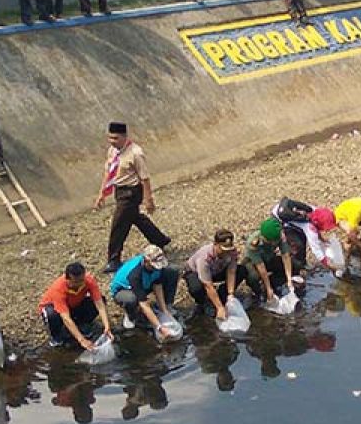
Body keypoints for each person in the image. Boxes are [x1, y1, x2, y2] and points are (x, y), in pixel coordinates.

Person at [95, 121, 171, 273]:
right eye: (110, 138)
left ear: (124, 137)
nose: (112, 141)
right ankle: (159, 239)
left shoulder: (135, 153)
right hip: (119, 190)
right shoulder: (112, 151)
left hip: (131, 192)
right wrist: (102, 193)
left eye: (115, 138)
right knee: (135, 217)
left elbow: (145, 177)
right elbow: (109, 172)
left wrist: (148, 199)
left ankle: (114, 259)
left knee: (119, 225)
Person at [39, 262, 113, 351]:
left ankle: (82, 324)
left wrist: (107, 326)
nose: (80, 284)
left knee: (100, 300)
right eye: (76, 282)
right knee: (52, 314)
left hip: (74, 305)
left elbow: (99, 303)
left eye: (82, 280)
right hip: (56, 309)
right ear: (68, 279)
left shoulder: (88, 280)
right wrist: (82, 340)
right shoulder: (58, 289)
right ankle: (56, 336)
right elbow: (65, 317)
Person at [109, 245, 180, 332]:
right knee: (131, 299)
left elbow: (157, 285)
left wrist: (164, 310)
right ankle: (131, 315)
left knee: (172, 271)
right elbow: (144, 304)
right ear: (146, 261)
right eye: (154, 266)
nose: (156, 268)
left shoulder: (155, 267)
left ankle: (166, 307)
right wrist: (159, 327)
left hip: (145, 283)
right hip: (124, 290)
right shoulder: (134, 274)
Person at [183, 229, 247, 320]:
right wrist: (220, 307)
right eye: (223, 249)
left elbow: (231, 272)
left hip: (217, 270)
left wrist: (230, 294)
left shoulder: (232, 252)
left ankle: (222, 294)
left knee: (242, 271)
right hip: (195, 272)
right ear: (215, 244)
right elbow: (208, 285)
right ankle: (202, 302)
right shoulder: (205, 257)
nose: (226, 252)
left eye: (228, 249)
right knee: (196, 288)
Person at [270, 198, 339, 273]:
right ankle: (296, 267)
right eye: (326, 228)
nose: (327, 230)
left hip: (284, 212)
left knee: (303, 238)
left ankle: (302, 263)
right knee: (297, 244)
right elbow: (316, 250)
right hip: (279, 219)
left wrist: (321, 239)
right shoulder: (310, 228)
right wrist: (328, 264)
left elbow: (317, 227)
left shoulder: (315, 211)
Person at [242, 218, 295, 302]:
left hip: (269, 257)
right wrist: (268, 288)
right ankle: (258, 292)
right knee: (253, 277)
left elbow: (285, 256)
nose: (274, 243)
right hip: (253, 262)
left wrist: (289, 280)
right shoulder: (253, 243)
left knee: (295, 265)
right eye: (271, 241)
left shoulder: (280, 235)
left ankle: (274, 283)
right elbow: (261, 266)